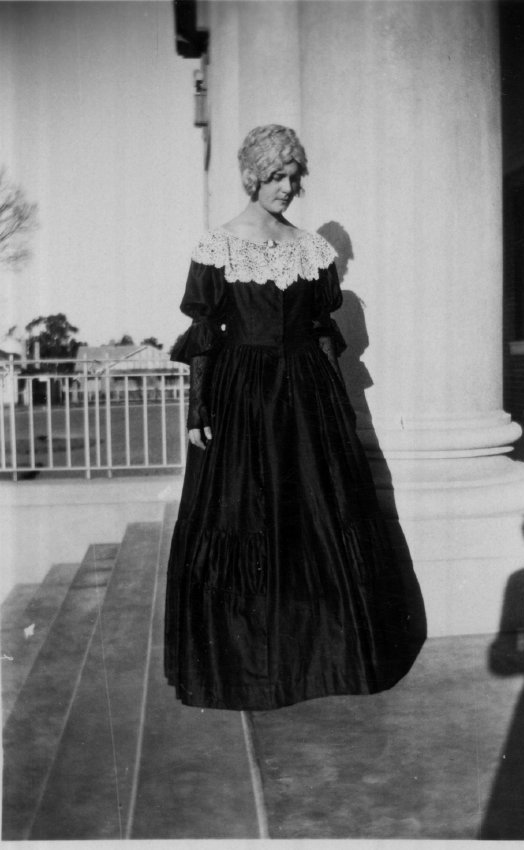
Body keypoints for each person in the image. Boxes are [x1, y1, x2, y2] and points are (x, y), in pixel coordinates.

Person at [165, 124, 425, 711]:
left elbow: (324, 335)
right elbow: (205, 335)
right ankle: (251, 666)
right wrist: (199, 407)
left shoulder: (312, 250)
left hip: (308, 396)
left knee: (318, 511)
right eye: (278, 176)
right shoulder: (219, 246)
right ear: (253, 175)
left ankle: (325, 658)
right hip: (243, 395)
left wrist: (336, 401)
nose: (288, 187)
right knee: (248, 510)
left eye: (294, 176)